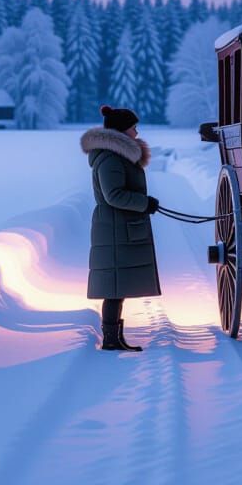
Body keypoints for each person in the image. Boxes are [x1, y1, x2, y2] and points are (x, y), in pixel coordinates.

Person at [80, 105, 161, 352]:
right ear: (122, 131)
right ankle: (111, 339)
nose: (137, 133)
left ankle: (114, 337)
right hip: (114, 226)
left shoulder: (115, 155)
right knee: (114, 288)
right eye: (133, 128)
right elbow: (113, 194)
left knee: (117, 287)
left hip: (118, 225)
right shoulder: (111, 158)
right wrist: (143, 203)